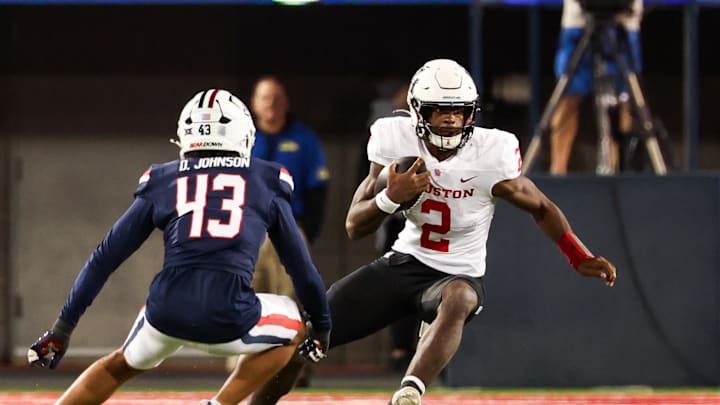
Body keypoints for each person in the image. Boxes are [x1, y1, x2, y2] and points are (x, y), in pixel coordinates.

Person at [249, 59, 617, 405]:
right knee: (307, 334)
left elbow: (541, 207)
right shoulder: (396, 142)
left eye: (458, 110)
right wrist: (391, 198)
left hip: (458, 273)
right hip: (404, 263)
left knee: (459, 298)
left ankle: (410, 390)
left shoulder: (491, 155)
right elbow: (353, 225)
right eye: (439, 110)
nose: (450, 121)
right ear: (416, 111)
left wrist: (576, 254)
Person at [27, 89, 331, 405]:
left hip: (165, 313)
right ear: (244, 136)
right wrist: (322, 327)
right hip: (229, 317)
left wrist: (62, 329)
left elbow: (105, 257)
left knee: (118, 365)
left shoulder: (162, 178)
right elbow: (299, 266)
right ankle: (220, 404)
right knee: (295, 327)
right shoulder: (267, 178)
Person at [224, 76, 330, 383]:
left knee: (294, 300)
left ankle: (296, 369)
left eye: (277, 98)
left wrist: (308, 229)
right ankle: (241, 372)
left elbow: (318, 187)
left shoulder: (304, 139)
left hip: (289, 230)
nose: (271, 104)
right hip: (246, 231)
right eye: (265, 98)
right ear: (254, 104)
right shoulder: (241, 138)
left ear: (286, 102)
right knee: (245, 297)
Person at [550, 0, 643, 175]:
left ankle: (617, 169)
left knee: (625, 100)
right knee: (568, 97)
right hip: (578, 18)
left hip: (624, 20)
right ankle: (557, 172)